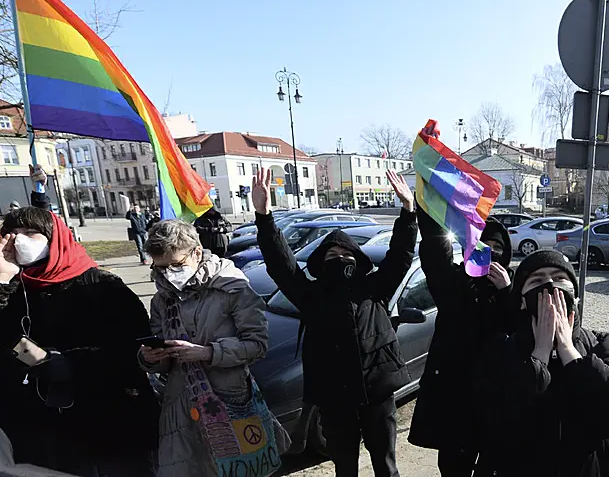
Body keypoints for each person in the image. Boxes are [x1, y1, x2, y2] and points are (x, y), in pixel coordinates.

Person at [0, 207, 158, 476]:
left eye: (31, 233)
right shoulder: (4, 282)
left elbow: (133, 349)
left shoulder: (100, 285)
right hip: (28, 423)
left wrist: (70, 364)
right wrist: (0, 279)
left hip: (99, 421)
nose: (19, 240)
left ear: (55, 238)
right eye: (12, 234)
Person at [254, 167, 417, 477]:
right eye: (332, 253)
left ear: (358, 260)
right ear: (321, 262)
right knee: (344, 467)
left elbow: (401, 254)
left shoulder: (375, 289)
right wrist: (264, 217)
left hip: (377, 392)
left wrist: (408, 211)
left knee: (386, 465)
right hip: (333, 397)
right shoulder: (310, 295)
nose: (340, 257)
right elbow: (280, 263)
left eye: (347, 253)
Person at [473, 250, 609, 476]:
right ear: (522, 301)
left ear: (575, 296)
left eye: (559, 278)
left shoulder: (602, 344)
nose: (550, 284)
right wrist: (539, 356)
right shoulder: (500, 349)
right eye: (537, 280)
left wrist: (569, 352)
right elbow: (495, 424)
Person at [139, 219, 279, 476]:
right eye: (161, 268)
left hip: (227, 400)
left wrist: (209, 352)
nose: (169, 273)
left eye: (176, 265)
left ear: (197, 252)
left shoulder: (232, 287)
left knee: (236, 470)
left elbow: (257, 344)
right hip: (180, 407)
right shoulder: (162, 297)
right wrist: (151, 358)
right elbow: (163, 353)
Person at [407, 205, 516, 476]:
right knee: (454, 467)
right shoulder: (455, 283)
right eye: (482, 244)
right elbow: (435, 252)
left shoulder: (515, 288)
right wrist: (427, 204)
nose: (489, 251)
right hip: (457, 402)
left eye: (496, 246)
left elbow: (521, 330)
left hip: (498, 402)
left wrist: (506, 291)